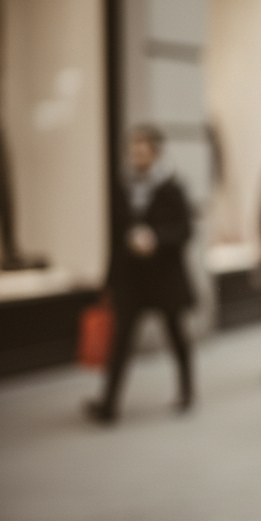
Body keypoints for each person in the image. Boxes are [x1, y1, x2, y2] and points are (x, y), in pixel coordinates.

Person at [86, 125, 195, 423]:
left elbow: (185, 231)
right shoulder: (123, 186)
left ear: (155, 153)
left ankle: (186, 389)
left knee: (175, 333)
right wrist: (108, 281)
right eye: (134, 150)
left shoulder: (172, 187)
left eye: (143, 150)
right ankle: (109, 404)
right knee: (121, 340)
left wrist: (156, 239)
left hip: (164, 277)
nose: (137, 156)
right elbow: (115, 236)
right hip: (131, 279)